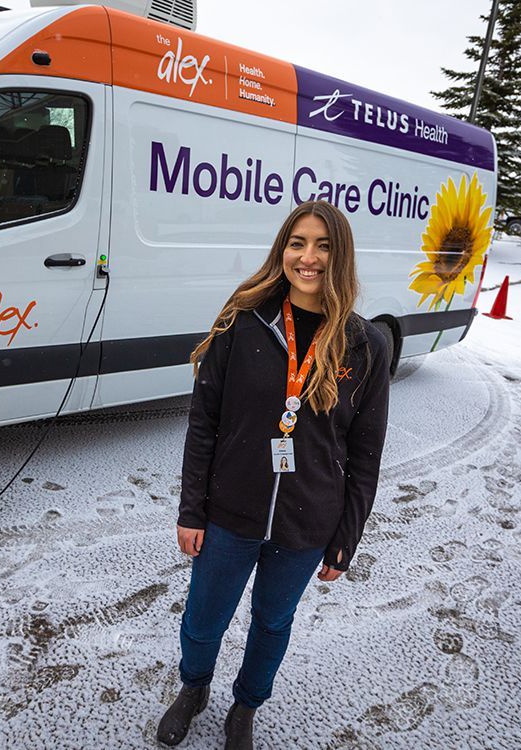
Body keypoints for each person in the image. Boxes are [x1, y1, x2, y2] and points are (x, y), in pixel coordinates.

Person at [157, 201, 391, 749]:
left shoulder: (366, 344)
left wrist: (345, 538)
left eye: (324, 246)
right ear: (281, 249)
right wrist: (192, 509)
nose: (308, 258)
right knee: (204, 617)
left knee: (271, 623)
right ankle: (193, 690)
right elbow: (203, 423)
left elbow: (365, 453)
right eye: (297, 243)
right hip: (229, 511)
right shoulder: (243, 322)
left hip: (307, 522)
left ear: (341, 257)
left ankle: (245, 707)